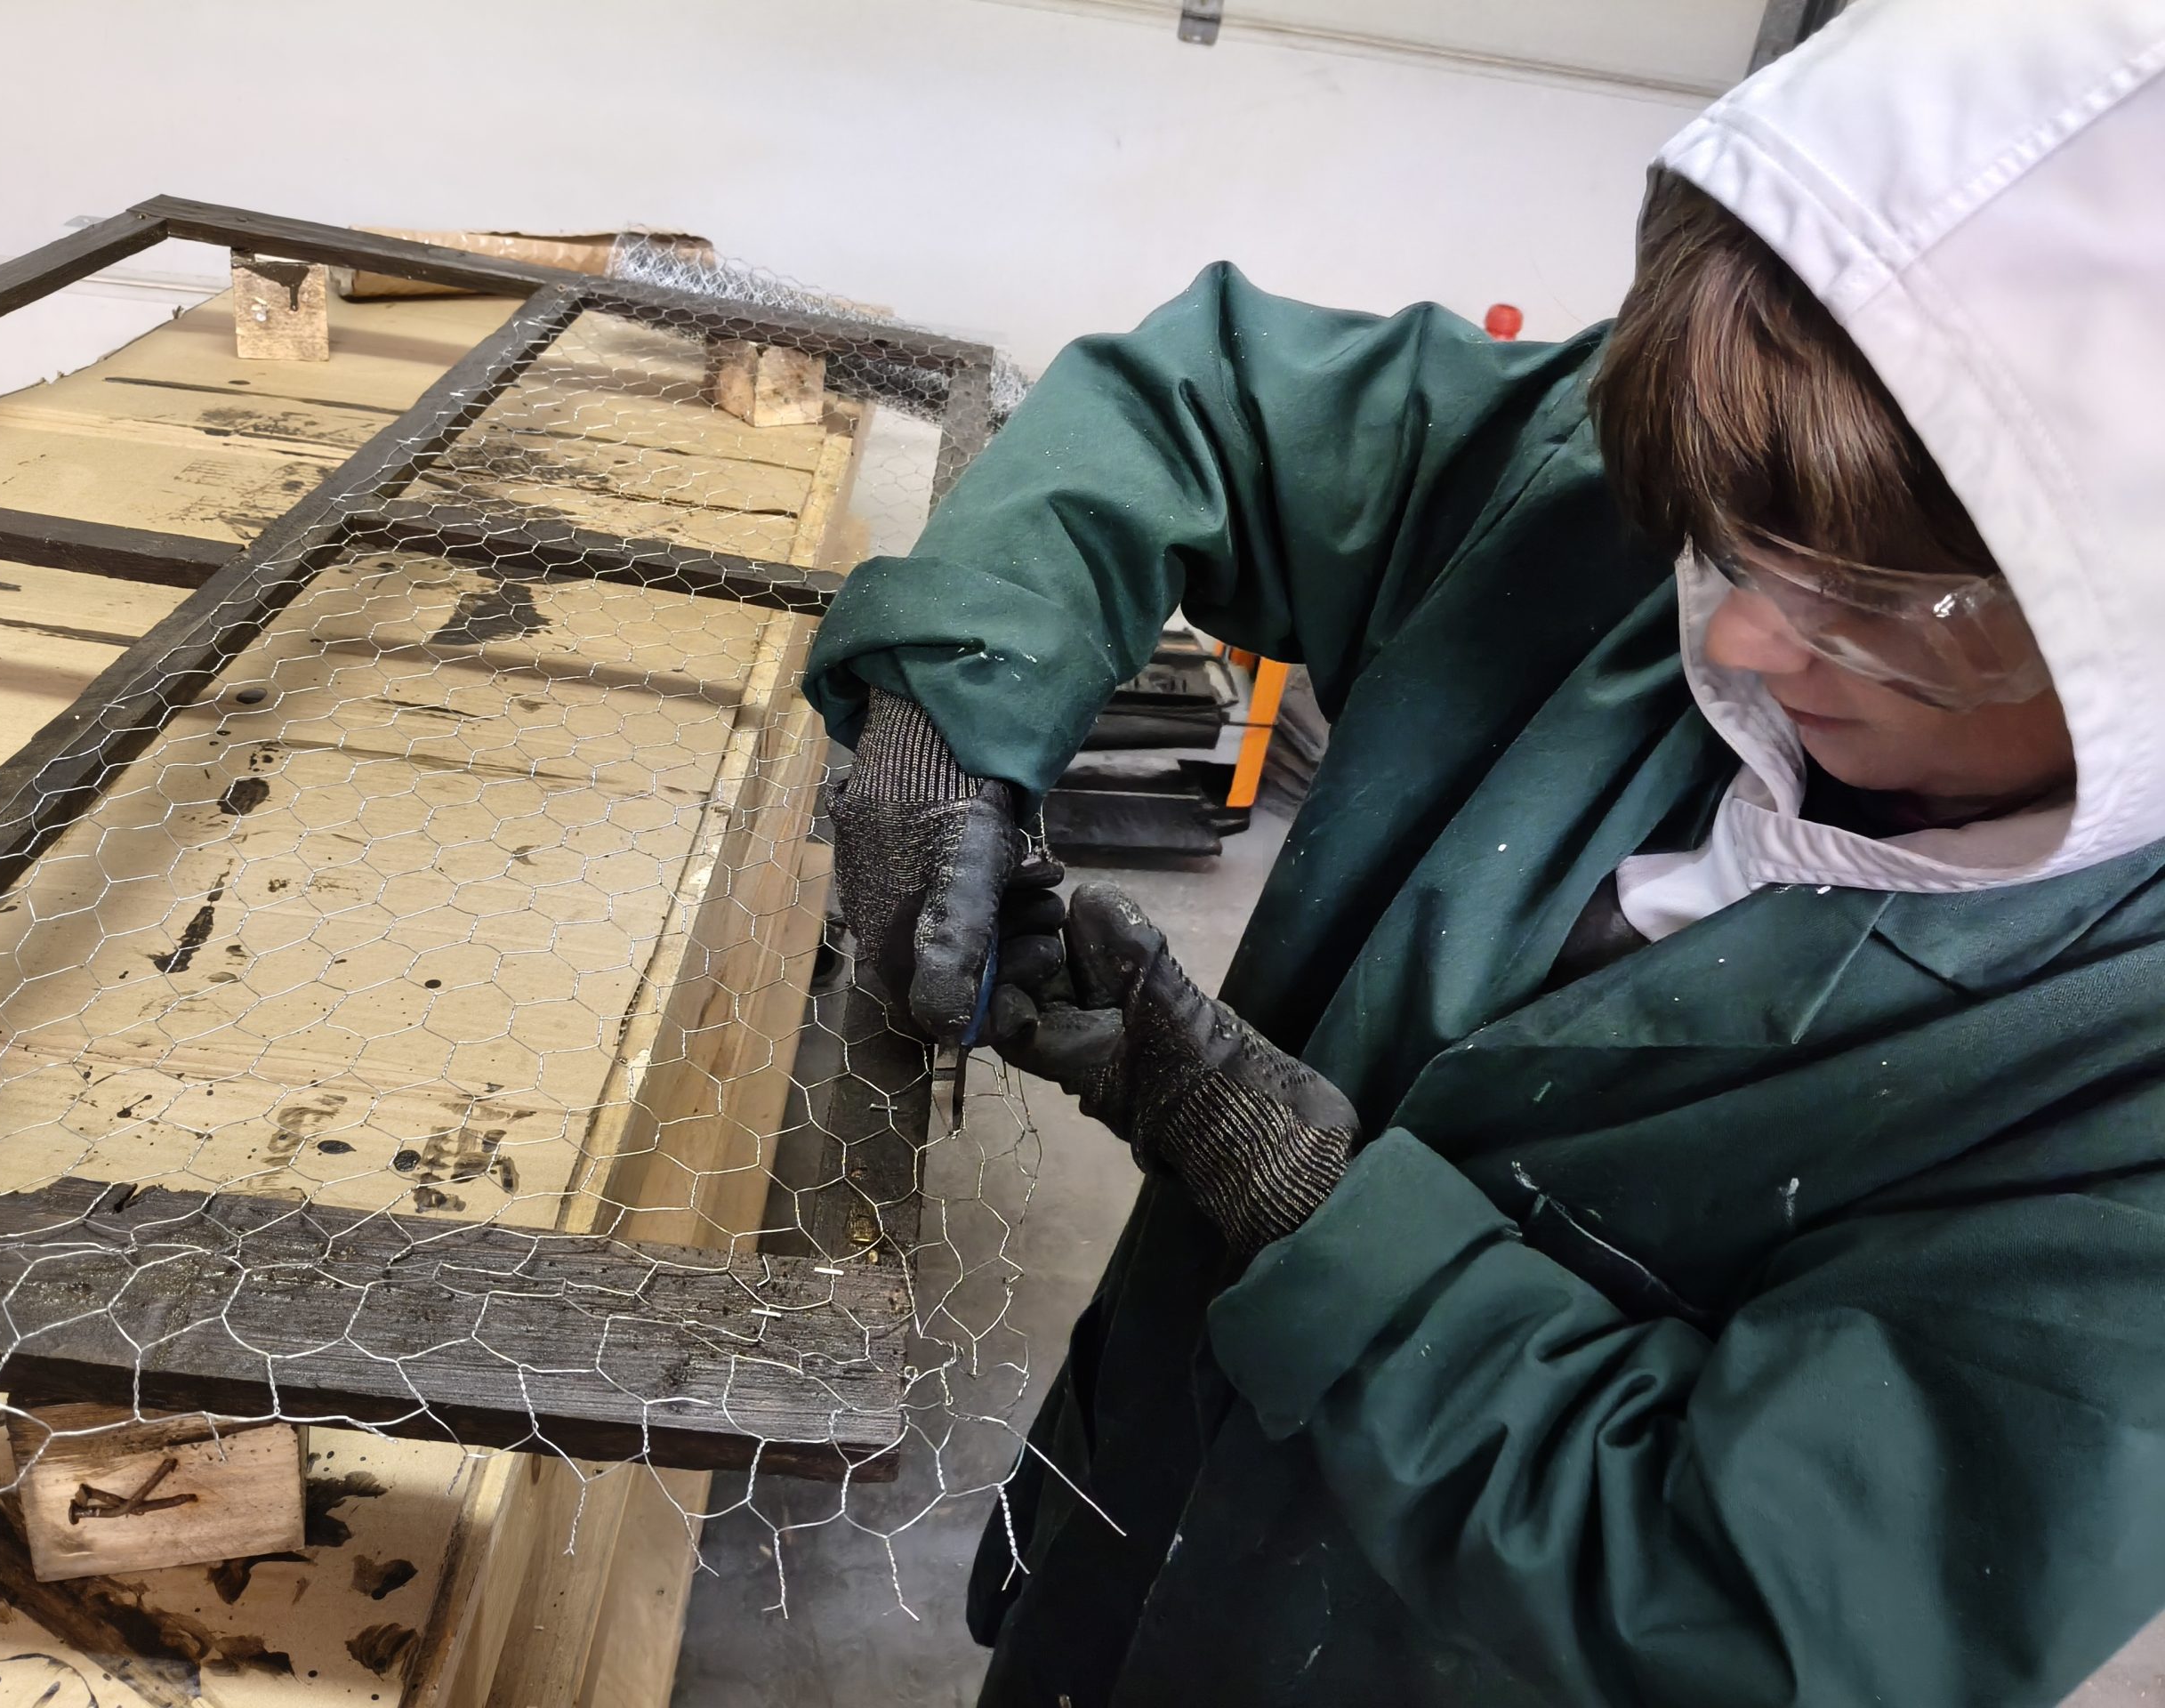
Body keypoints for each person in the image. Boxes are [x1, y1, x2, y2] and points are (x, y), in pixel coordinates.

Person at [803, 3, 2165, 1703]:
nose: (1740, 640)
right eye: (1726, 550)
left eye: (1870, 609)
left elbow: (1758, 1619)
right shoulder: (1634, 508)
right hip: (1121, 1544)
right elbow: (1199, 401)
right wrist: (948, 715)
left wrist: (1298, 1198)